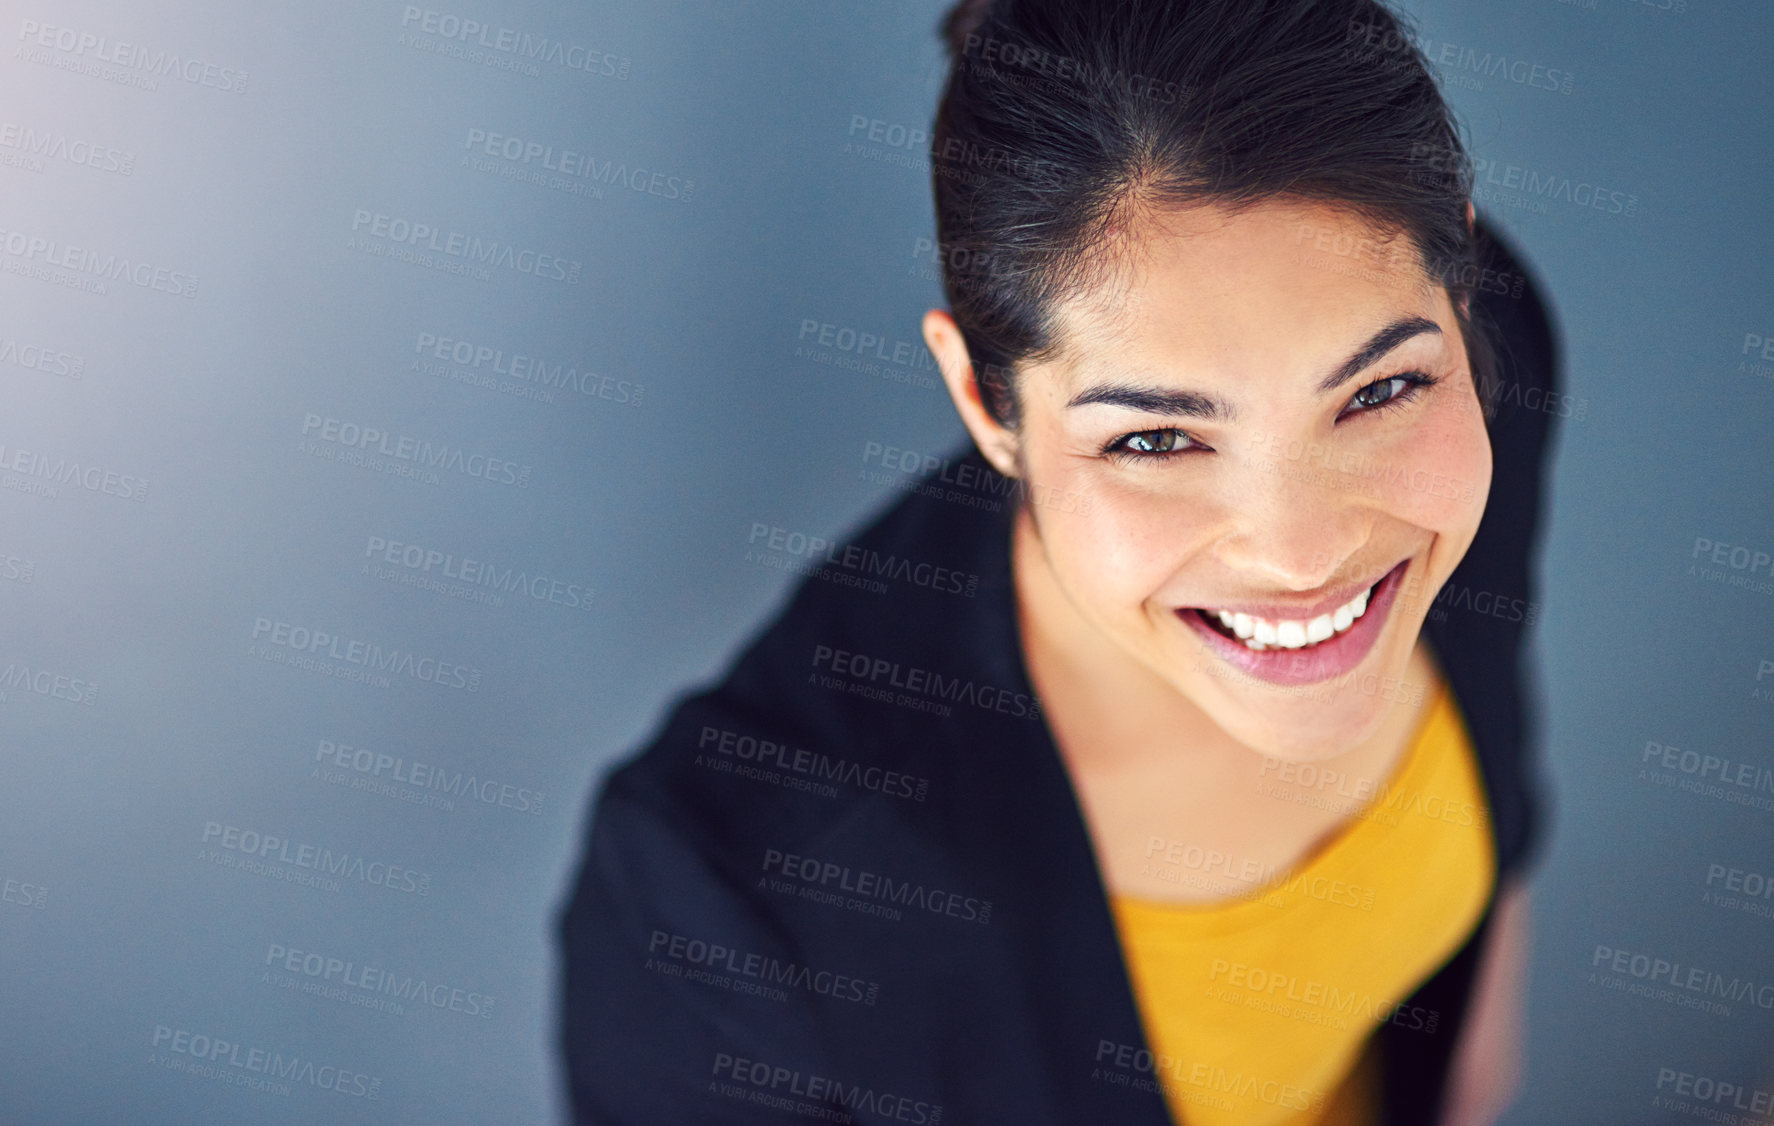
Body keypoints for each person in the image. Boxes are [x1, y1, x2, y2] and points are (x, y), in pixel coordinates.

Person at [556, 0, 1561, 1122]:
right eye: (1153, 439)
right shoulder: (729, 906)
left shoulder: (1492, 368)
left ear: (1460, 288)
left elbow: (1499, 768)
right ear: (983, 402)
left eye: (1374, 392)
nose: (1302, 555)